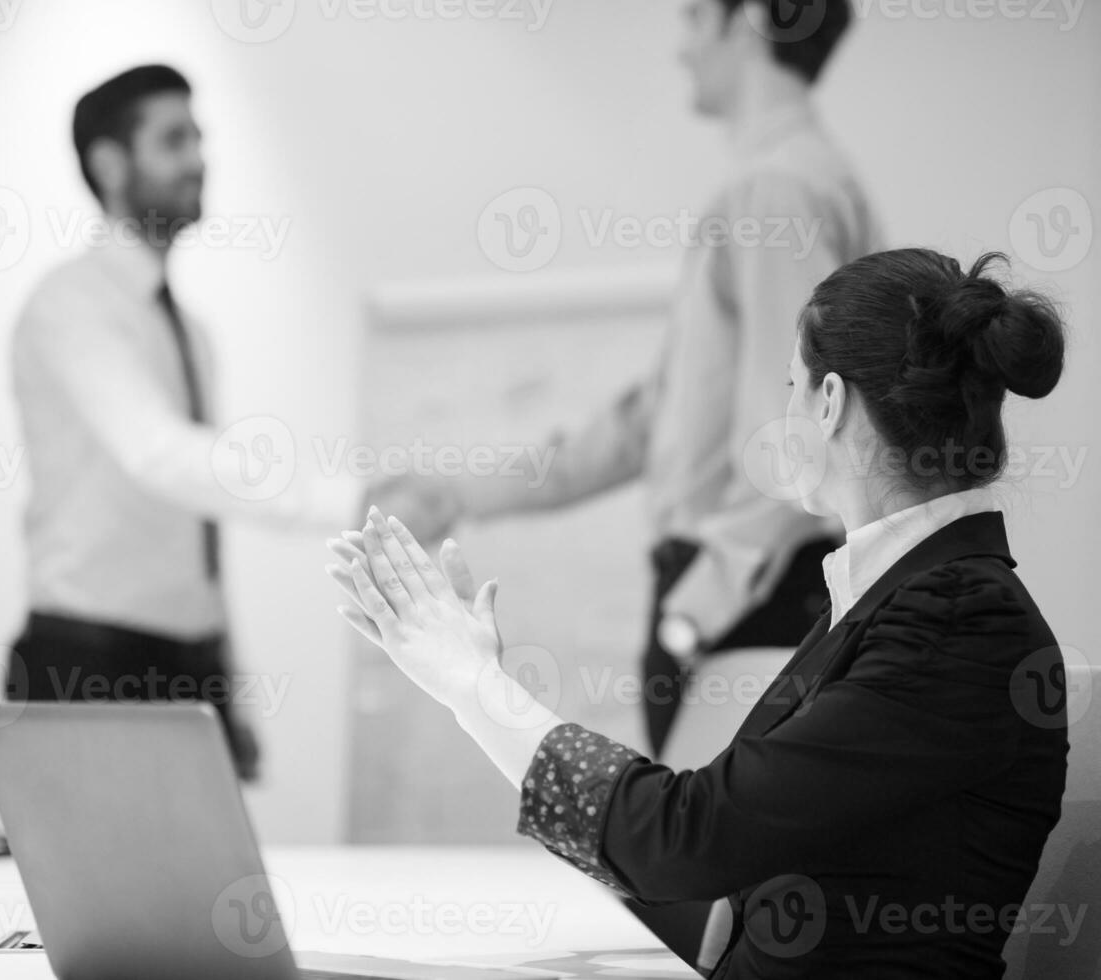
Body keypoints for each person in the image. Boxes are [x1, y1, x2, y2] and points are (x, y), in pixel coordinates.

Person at [330, 249, 1070, 978]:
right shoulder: (910, 595)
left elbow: (692, 839)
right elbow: (726, 886)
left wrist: (474, 688)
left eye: (790, 383)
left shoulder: (953, 618)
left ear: (830, 400)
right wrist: (477, 691)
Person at [374, 0, 880, 759]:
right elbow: (651, 420)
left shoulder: (775, 193)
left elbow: (800, 435)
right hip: (745, 592)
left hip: (745, 600)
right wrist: (458, 494)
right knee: (692, 867)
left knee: (691, 868)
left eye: (690, 19)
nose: (679, 48)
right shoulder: (785, 184)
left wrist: (692, 615)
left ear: (745, 23)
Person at [8, 65, 360, 781]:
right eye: (174, 139)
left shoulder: (190, 331)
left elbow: (192, 523)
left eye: (198, 136)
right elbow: (160, 456)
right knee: (89, 890)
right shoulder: (69, 306)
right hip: (89, 662)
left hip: (188, 662)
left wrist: (227, 681)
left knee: (195, 893)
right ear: (111, 164)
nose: (199, 158)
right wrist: (349, 501)